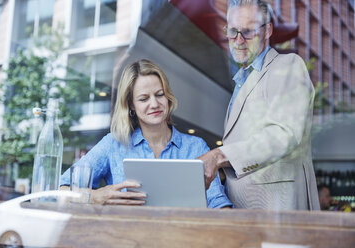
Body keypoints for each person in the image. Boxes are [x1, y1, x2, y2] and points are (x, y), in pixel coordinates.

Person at [60, 59, 232, 208]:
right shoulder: (114, 144)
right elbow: (61, 189)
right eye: (143, 99)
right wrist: (97, 197)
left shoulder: (195, 147)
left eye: (159, 95)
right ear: (131, 104)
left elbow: (217, 202)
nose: (154, 104)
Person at [198, 0, 320, 210]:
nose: (239, 40)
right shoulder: (241, 80)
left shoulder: (288, 65)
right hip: (246, 211)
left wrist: (218, 156)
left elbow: (283, 135)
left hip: (279, 209)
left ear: (267, 31)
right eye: (233, 31)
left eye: (248, 31)